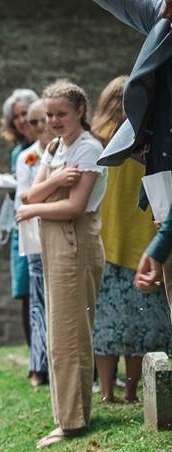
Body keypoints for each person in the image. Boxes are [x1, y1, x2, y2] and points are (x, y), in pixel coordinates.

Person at [17, 80, 108, 449]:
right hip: (53, 243)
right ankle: (66, 414)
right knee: (57, 333)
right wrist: (53, 181)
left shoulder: (88, 150)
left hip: (74, 240)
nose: (53, 121)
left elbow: (73, 207)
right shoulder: (55, 147)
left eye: (61, 114)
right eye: (49, 115)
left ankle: (73, 422)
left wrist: (32, 208)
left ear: (80, 111)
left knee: (70, 335)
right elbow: (29, 191)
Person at [91, 76, 172, 404]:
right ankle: (132, 390)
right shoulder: (147, 141)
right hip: (147, 236)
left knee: (107, 324)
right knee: (145, 323)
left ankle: (107, 391)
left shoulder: (97, 143)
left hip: (107, 241)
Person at [14, 100, 52, 388]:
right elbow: (24, 197)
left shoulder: (62, 152)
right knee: (37, 303)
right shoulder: (27, 157)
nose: (39, 127)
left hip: (58, 227)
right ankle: (38, 364)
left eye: (43, 120)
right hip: (35, 235)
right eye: (34, 122)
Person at [1, 89, 40, 351]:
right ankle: (34, 356)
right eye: (16, 116)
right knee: (26, 292)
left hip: (41, 221)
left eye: (26, 113)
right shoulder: (18, 152)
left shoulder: (46, 146)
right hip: (21, 226)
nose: (22, 120)